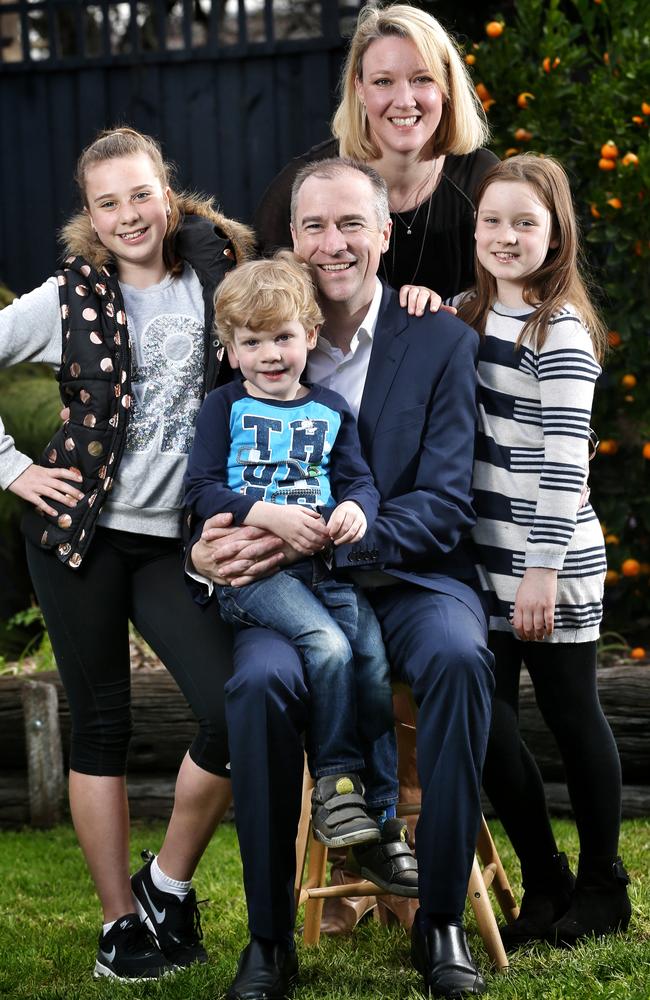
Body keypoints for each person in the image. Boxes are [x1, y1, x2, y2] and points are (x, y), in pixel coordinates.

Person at [190, 157, 495, 1000]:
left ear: (384, 233)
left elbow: (440, 502)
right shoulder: (255, 337)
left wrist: (324, 547)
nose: (334, 243)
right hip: (287, 599)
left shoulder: (439, 340)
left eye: (352, 223)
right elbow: (209, 485)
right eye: (315, 226)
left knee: (460, 660)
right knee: (255, 688)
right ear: (292, 238)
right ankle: (268, 939)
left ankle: (438, 923)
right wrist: (204, 552)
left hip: (410, 582)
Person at [0, 126, 255, 980]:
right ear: (90, 214)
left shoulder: (217, 275)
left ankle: (167, 881)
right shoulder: (67, 296)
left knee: (232, 707)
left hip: (173, 543)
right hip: (79, 534)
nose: (128, 214)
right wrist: (16, 470)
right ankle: (120, 927)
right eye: (107, 202)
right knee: (101, 725)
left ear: (167, 189)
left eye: (140, 193)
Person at [184, 251, 417, 894]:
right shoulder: (223, 409)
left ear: (310, 336)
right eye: (251, 341)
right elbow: (202, 489)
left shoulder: (333, 410)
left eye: (283, 337)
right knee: (328, 646)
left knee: (369, 654)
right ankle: (337, 783)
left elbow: (360, 484)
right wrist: (267, 515)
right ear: (229, 349)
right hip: (256, 576)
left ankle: (379, 815)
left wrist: (351, 512)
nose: (270, 354)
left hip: (325, 571)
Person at [455, 153, 631, 949]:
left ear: (556, 231)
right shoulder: (466, 313)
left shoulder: (557, 327)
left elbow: (566, 460)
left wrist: (542, 570)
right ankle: (545, 877)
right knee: (486, 727)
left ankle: (604, 886)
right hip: (479, 567)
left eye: (526, 221)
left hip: (549, 566)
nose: (506, 235)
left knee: (570, 717)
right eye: (493, 219)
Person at [255, 2, 497, 306]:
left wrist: (464, 320)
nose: (404, 101)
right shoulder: (306, 186)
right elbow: (260, 308)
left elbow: (517, 292)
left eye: (422, 78)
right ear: (359, 88)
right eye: (383, 81)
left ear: (446, 85)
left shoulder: (482, 181)